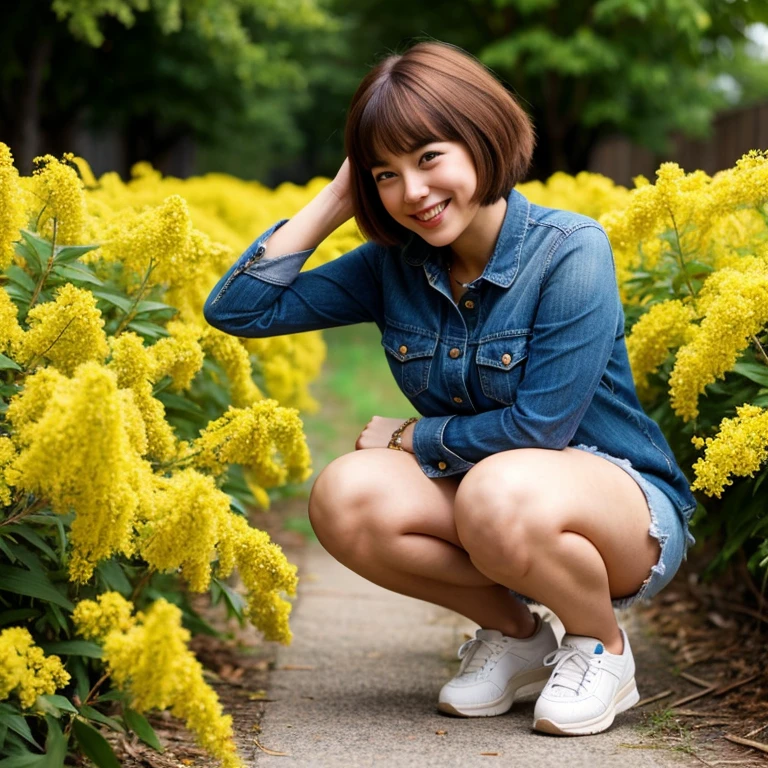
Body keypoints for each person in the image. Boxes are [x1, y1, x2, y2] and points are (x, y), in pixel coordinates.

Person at [203, 39, 697, 736]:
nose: (413, 193)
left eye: (429, 157)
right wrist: (337, 198)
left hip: (623, 511)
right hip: (494, 505)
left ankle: (601, 647)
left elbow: (540, 430)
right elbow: (239, 310)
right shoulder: (390, 267)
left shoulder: (570, 250)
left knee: (499, 490)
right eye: (385, 174)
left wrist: (410, 437)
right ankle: (517, 635)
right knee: (344, 497)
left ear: (480, 138)